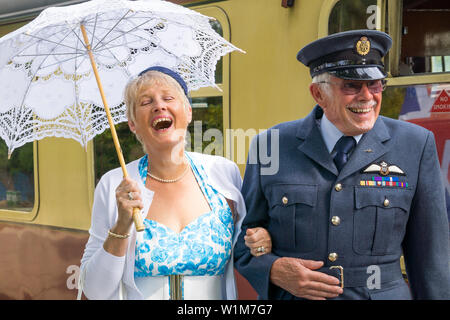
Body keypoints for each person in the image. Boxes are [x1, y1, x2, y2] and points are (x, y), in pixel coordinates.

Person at [234, 30, 450, 300]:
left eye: (376, 84)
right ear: (318, 94)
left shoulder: (415, 144)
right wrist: (274, 269)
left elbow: (432, 254)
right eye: (351, 86)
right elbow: (242, 241)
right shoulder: (271, 145)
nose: (367, 96)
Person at [78, 66, 271, 300]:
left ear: (188, 112)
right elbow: (94, 290)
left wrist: (261, 240)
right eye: (145, 102)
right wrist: (121, 226)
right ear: (132, 124)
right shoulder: (114, 184)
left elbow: (249, 243)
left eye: (168, 98)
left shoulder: (224, 173)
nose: (159, 105)